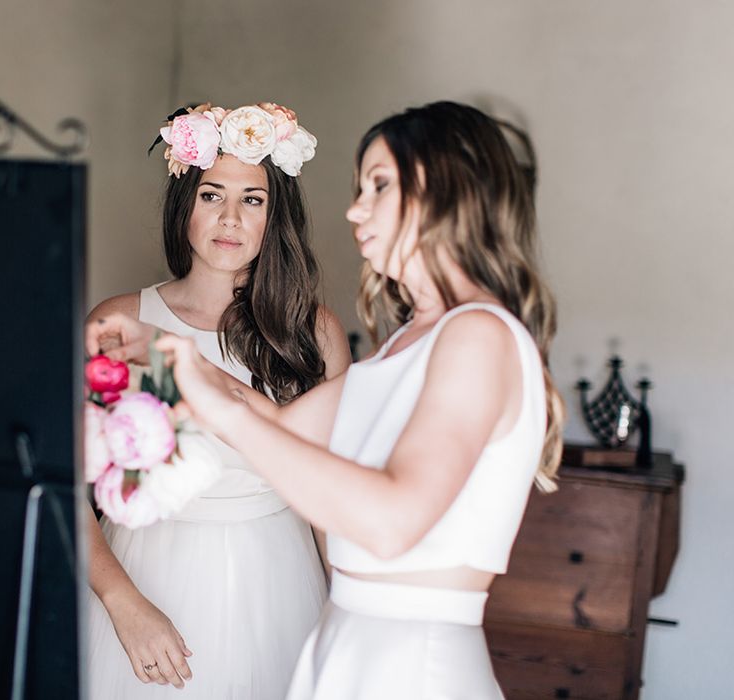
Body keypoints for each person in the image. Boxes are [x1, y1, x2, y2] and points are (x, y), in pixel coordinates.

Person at [89, 100, 564, 699]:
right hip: (348, 645)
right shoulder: (411, 342)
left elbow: (391, 523)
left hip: (409, 661)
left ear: (449, 195)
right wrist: (164, 354)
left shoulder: (476, 335)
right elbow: (286, 433)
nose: (354, 209)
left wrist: (199, 385)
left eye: (379, 186)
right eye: (359, 187)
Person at [86, 102, 351, 700]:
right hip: (146, 576)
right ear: (186, 201)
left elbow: (332, 497)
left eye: (252, 200)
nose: (229, 218)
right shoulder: (119, 323)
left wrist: (348, 611)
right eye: (212, 195)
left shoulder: (313, 333)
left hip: (282, 585)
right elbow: (62, 488)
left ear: (274, 215)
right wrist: (123, 603)